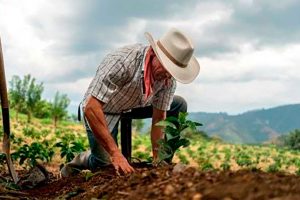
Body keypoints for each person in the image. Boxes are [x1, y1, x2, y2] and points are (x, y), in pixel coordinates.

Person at [61, 28, 200, 177]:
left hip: (134, 104)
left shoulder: (168, 79)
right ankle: (82, 160)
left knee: (178, 104)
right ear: (154, 54)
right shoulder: (122, 62)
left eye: (172, 72)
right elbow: (91, 107)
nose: (167, 76)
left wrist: (158, 162)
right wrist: (115, 153)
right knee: (105, 166)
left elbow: (159, 118)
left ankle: (163, 163)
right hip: (104, 108)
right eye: (166, 68)